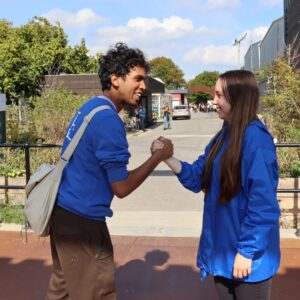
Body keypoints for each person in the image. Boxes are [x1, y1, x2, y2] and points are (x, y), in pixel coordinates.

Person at [47, 42, 173, 300]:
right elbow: (122, 187)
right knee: (98, 292)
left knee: (62, 292)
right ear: (115, 79)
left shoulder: (90, 107)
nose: (144, 86)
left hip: (63, 216)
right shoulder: (108, 120)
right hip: (83, 224)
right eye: (138, 78)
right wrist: (157, 157)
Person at [153, 70, 280, 300]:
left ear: (238, 98)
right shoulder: (223, 137)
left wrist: (246, 252)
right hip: (222, 254)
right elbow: (197, 176)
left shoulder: (256, 140)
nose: (214, 101)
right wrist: (166, 158)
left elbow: (263, 205)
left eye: (220, 95)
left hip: (249, 261)